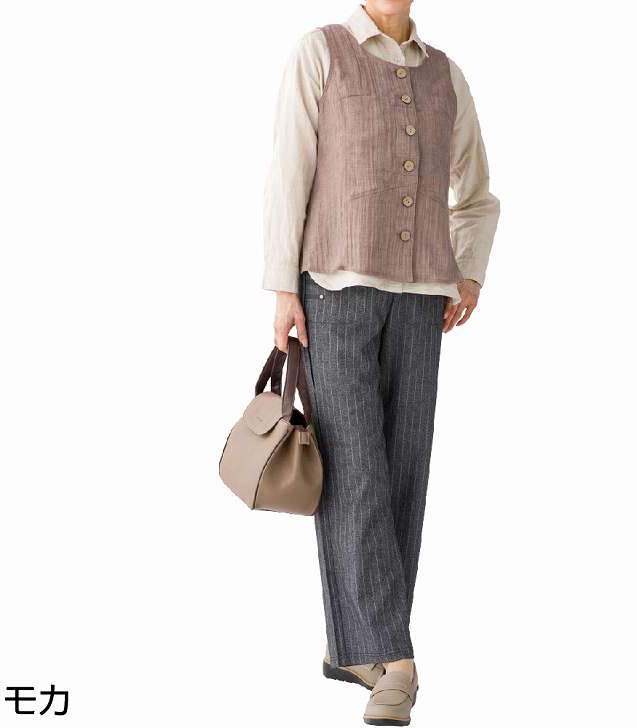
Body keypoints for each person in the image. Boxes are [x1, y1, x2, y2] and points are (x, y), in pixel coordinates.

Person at [262, 2, 499, 724]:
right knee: (354, 468)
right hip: (332, 293)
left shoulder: (446, 76)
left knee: (402, 471)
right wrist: (282, 288)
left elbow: (475, 194)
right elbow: (289, 173)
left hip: (424, 300)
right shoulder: (321, 52)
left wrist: (470, 272)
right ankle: (393, 659)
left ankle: (356, 645)